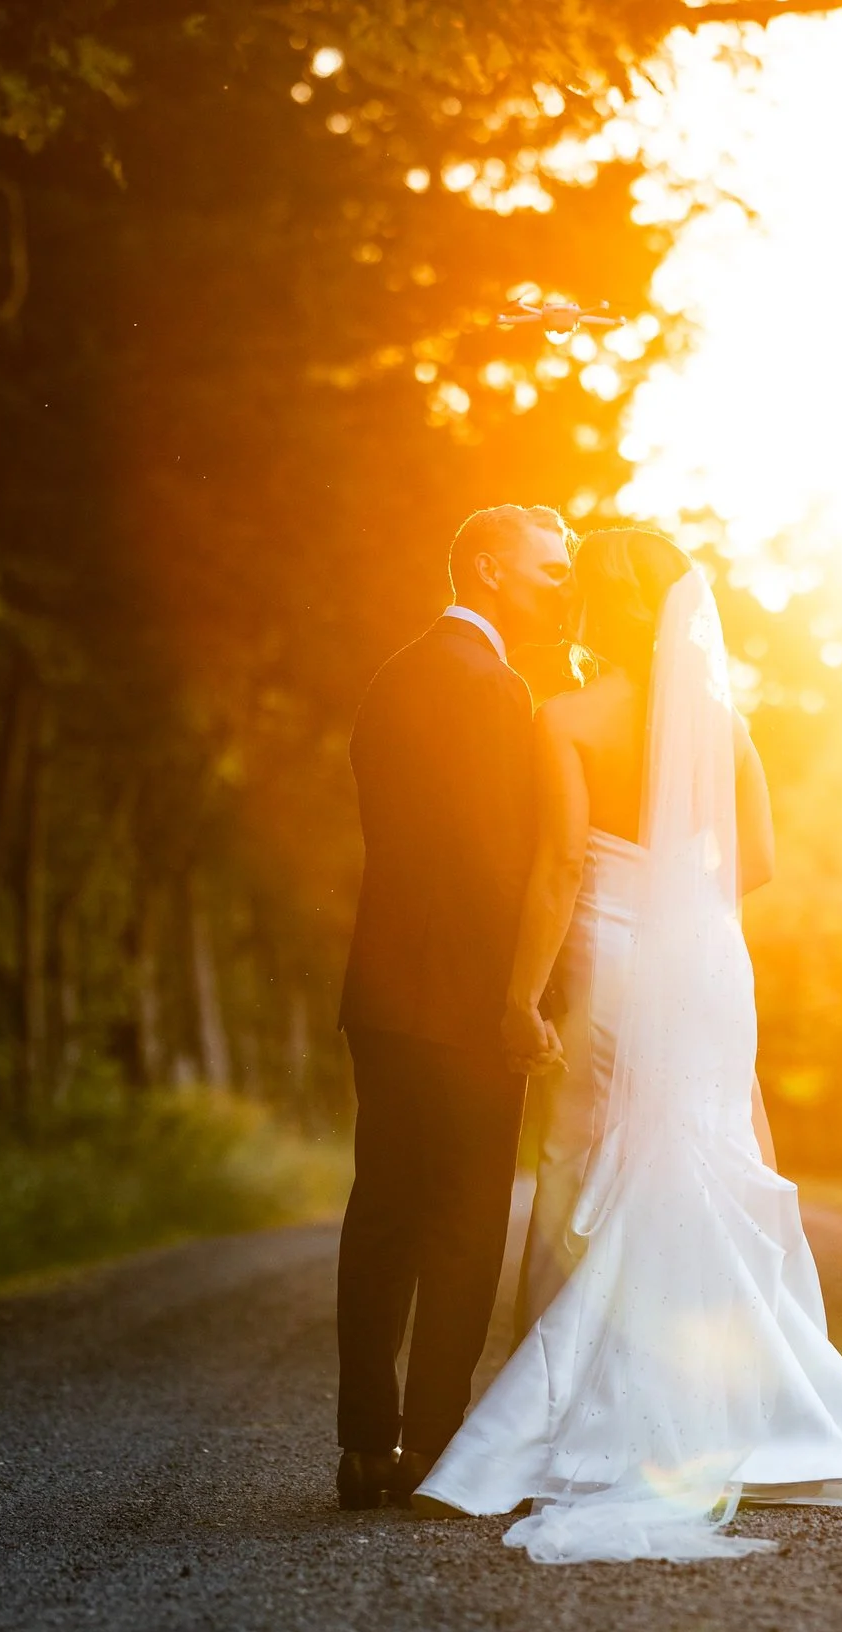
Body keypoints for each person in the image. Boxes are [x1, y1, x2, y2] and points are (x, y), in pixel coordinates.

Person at [412, 527, 842, 1562]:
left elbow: (551, 872)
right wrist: (682, 899)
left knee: (596, 1154)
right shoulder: (723, 722)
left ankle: (598, 1409)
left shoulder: (566, 716)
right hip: (709, 956)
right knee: (708, 1146)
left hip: (614, 953)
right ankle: (752, 1419)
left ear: (598, 606)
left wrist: (520, 994)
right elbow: (755, 861)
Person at [331, 504, 572, 1510]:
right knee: (466, 1218)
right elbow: (493, 860)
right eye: (548, 569)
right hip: (465, 995)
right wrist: (519, 996)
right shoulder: (493, 686)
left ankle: (363, 1448)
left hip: (383, 989)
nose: (562, 585)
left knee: (382, 1210)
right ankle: (435, 1449)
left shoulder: (395, 672)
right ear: (486, 569)